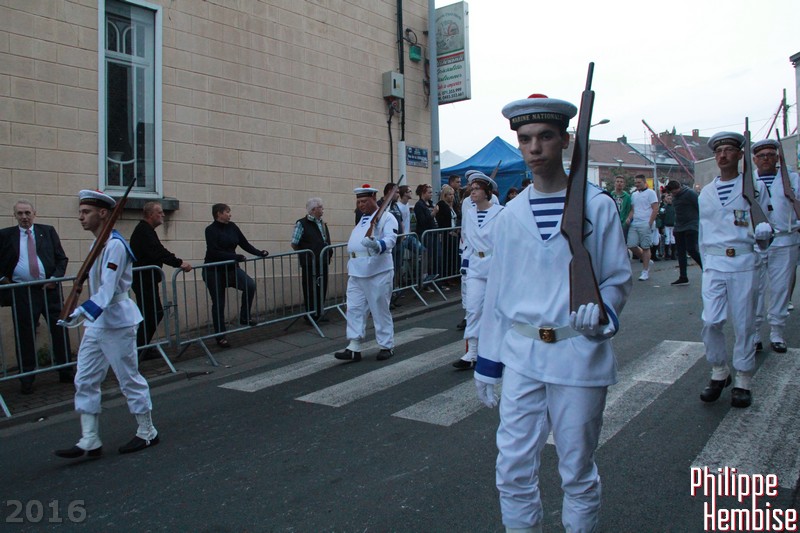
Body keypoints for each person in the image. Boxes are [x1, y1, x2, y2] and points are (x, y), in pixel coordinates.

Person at [475, 94, 632, 532]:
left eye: (545, 136)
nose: (534, 148)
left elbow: (617, 278)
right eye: (525, 139)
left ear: (565, 140)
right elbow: (498, 294)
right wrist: (487, 362)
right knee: (512, 468)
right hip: (523, 354)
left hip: (578, 353)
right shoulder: (510, 216)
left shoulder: (596, 206)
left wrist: (601, 314)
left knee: (576, 470)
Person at [55, 190, 160, 458]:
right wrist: (82, 313)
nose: (80, 217)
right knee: (85, 378)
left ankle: (147, 431)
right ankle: (89, 438)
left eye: (86, 212)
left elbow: (108, 289)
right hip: (97, 323)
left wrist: (81, 311)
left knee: (128, 378)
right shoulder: (97, 243)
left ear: (103, 213)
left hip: (117, 321)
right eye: (80, 212)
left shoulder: (115, 245)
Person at [698, 132, 772, 409]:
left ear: (740, 155)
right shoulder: (706, 192)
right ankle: (719, 370)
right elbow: (703, 233)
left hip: (743, 261)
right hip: (714, 263)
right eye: (719, 151)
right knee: (711, 321)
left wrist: (763, 237)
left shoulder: (753, 187)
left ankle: (743, 378)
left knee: (744, 322)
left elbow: (766, 223)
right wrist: (705, 264)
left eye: (729, 150)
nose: (723, 155)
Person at [0, 200, 72, 394]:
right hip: (22, 292)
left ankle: (66, 371)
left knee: (59, 330)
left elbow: (61, 258)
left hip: (49, 290)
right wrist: (3, 280)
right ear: (15, 215)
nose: (24, 217)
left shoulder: (47, 232)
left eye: (27, 213)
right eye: (20, 213)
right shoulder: (6, 235)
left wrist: (55, 279)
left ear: (34, 213)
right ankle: (27, 378)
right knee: (24, 335)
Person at [334, 184, 398, 362]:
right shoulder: (362, 220)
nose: (361, 205)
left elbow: (391, 240)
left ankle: (386, 345)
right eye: (359, 202)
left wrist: (377, 245)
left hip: (377, 270)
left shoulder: (386, 217)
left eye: (364, 201)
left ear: (373, 199)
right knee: (354, 309)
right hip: (356, 270)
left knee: (379, 309)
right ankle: (353, 346)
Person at [751, 138, 799, 353]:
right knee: (755, 289)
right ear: (755, 160)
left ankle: (777, 332)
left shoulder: (792, 179)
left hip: (785, 239)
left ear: (777, 157)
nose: (766, 159)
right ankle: (754, 333)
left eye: (771, 155)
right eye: (761, 156)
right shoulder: (748, 180)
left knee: (780, 289)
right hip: (756, 242)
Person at [453, 172, 503, 369]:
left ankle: (500, 350)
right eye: (471, 189)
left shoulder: (501, 212)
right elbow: (467, 238)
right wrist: (465, 263)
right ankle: (472, 352)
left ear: (487, 192)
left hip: (496, 265)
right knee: (473, 309)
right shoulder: (469, 212)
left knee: (497, 310)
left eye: (476, 189)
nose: (472, 192)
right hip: (475, 265)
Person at [130, 202, 192, 360]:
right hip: (143, 280)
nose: (163, 214)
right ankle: (139, 349)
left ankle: (142, 347)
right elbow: (158, 252)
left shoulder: (147, 230)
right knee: (152, 314)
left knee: (152, 314)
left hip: (148, 279)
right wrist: (178, 263)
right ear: (150, 214)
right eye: (159, 212)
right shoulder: (143, 231)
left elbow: (158, 251)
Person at [203, 203, 269, 348]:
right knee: (219, 303)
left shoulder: (232, 227)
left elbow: (244, 244)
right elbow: (214, 251)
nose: (230, 214)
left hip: (231, 269)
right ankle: (220, 336)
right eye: (227, 212)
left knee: (249, 285)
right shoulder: (210, 230)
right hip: (214, 271)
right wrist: (234, 256)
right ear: (219, 214)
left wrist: (259, 252)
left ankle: (245, 317)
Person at [291, 197, 331, 322]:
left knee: (322, 287)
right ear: (313, 210)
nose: (323, 209)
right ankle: (311, 315)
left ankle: (319, 313)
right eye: (320, 207)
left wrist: (329, 254)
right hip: (310, 263)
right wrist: (305, 255)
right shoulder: (302, 223)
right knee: (310, 288)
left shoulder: (322, 223)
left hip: (322, 261)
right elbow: (294, 243)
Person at [665, 180, 703, 285]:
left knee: (691, 249)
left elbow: (700, 207)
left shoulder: (690, 193)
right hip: (679, 227)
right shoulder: (674, 197)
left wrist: (699, 222)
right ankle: (683, 276)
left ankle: (706, 268)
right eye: (672, 192)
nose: (673, 194)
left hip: (691, 225)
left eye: (674, 191)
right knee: (680, 252)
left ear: (679, 187)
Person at [626, 174, 659, 280]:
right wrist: (629, 218)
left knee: (645, 247)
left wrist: (650, 222)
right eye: (635, 182)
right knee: (631, 244)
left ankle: (645, 271)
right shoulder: (634, 194)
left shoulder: (651, 193)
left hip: (645, 223)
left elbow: (655, 208)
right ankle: (647, 260)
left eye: (639, 182)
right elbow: (633, 209)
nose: (637, 184)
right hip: (635, 223)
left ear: (645, 182)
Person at [414, 183, 439, 284]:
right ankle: (425, 281)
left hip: (432, 232)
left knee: (434, 256)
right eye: (429, 192)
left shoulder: (431, 203)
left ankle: (433, 279)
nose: (431, 194)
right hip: (425, 234)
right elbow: (422, 221)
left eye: (431, 192)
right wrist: (433, 213)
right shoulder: (419, 205)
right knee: (427, 257)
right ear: (423, 193)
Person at [435, 184, 460, 284]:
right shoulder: (442, 205)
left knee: (453, 256)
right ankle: (446, 278)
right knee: (447, 257)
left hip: (453, 233)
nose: (452, 196)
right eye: (449, 194)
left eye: (453, 194)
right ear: (444, 195)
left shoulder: (452, 206)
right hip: (446, 234)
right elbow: (442, 221)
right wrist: (450, 231)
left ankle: (452, 276)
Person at [659, 192, 676, 259]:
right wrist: (662, 226)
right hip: (666, 225)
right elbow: (661, 217)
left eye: (670, 199)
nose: (669, 200)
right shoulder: (664, 207)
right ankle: (666, 254)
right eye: (668, 199)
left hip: (673, 225)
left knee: (673, 239)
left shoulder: (674, 207)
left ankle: (673, 254)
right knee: (667, 239)